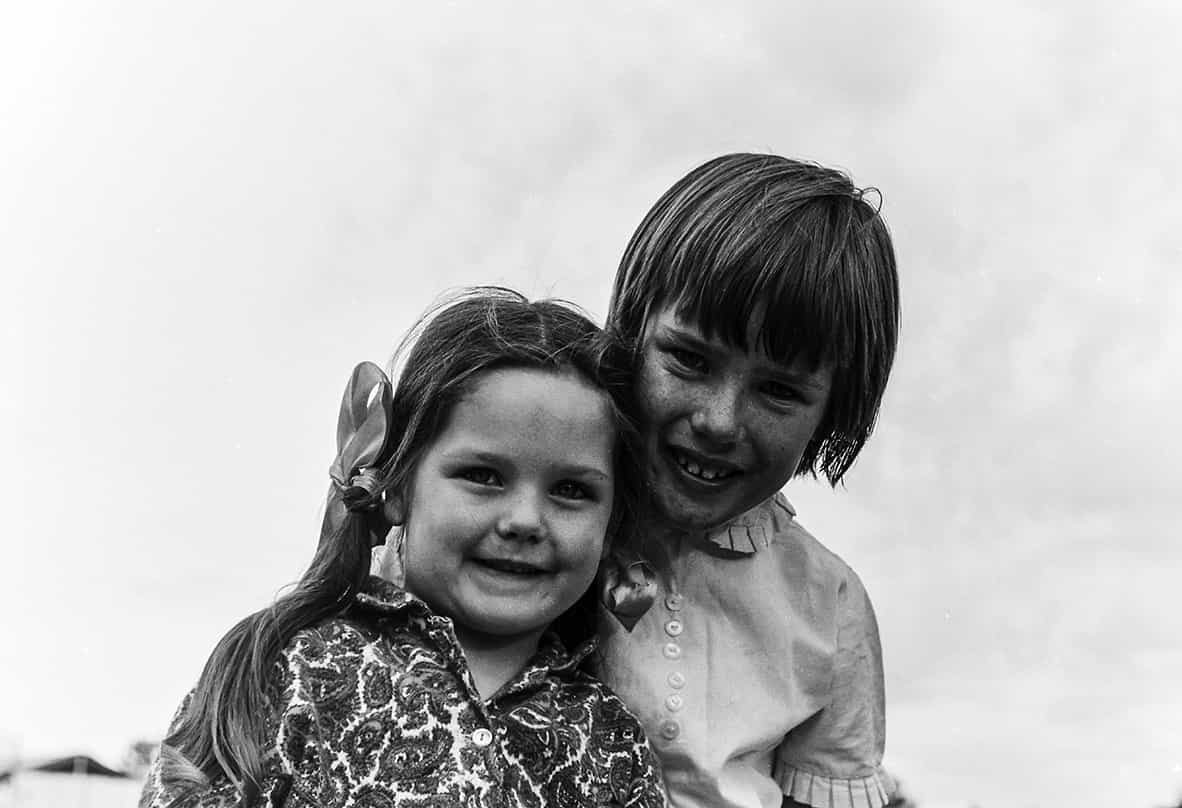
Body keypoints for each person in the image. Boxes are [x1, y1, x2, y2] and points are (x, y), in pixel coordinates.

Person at [140, 288, 667, 808]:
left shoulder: (610, 743)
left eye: (571, 490)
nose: (525, 520)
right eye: (482, 476)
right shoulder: (288, 672)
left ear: (612, 525)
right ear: (396, 489)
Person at [595, 153, 900, 808]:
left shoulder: (828, 604)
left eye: (780, 392)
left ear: (832, 415)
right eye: (688, 358)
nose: (719, 420)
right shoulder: (551, 520)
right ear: (633, 334)